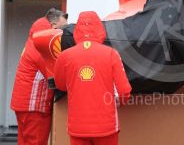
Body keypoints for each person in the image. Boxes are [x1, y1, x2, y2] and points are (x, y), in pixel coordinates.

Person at [53, 11, 132, 145]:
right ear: (99, 29)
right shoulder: (111, 54)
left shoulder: (65, 56)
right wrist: (115, 104)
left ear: (77, 30)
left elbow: (60, 85)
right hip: (106, 126)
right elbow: (124, 91)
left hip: (78, 126)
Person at [10, 8, 68, 145]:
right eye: (63, 28)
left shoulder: (35, 39)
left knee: (24, 141)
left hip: (24, 104)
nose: (63, 33)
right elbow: (57, 77)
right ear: (53, 26)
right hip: (34, 106)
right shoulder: (43, 45)